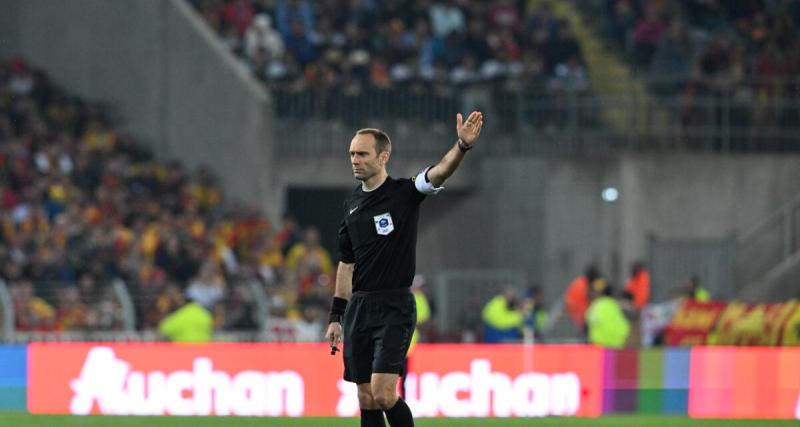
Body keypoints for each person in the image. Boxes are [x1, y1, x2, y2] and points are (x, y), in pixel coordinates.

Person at [325, 111, 484, 427]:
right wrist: (336, 316)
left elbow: (439, 173)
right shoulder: (351, 204)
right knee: (366, 398)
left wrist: (462, 147)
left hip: (395, 306)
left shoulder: (403, 193)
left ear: (383, 157)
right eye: (352, 154)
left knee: (384, 393)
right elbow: (346, 264)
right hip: (360, 307)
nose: (354, 159)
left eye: (362, 153)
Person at [586, 283, 630, 348]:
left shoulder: (597, 305)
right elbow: (625, 326)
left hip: (599, 344)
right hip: (616, 344)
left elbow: (589, 318)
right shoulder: (616, 306)